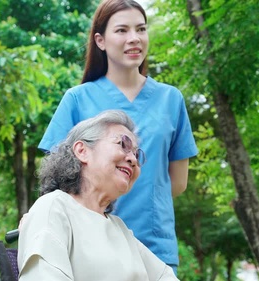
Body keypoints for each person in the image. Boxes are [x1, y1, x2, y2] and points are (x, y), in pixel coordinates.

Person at [38, 0, 198, 273]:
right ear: (100, 40)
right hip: (90, 246)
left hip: (155, 247)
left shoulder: (171, 99)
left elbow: (178, 182)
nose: (134, 38)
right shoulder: (77, 99)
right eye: (122, 30)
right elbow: (55, 179)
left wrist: (146, 204)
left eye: (141, 29)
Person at [18, 110, 179, 280]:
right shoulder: (53, 208)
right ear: (82, 151)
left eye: (137, 155)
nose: (133, 159)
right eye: (123, 144)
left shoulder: (120, 229)